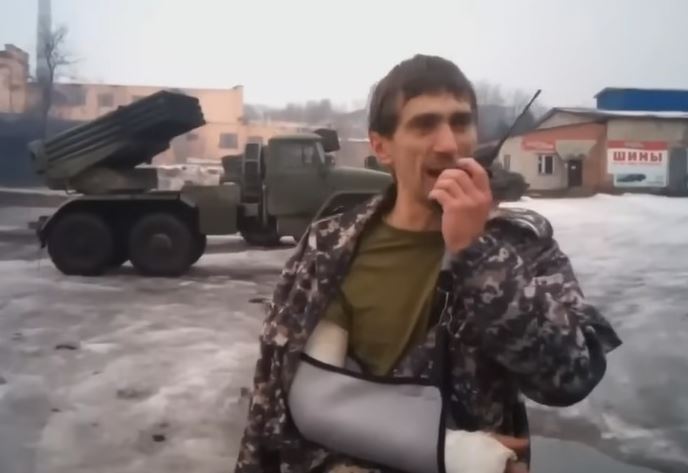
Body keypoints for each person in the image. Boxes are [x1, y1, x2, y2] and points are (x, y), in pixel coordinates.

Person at [234, 54, 622, 473]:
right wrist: (449, 452)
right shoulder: (329, 248)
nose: (448, 144)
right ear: (381, 147)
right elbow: (283, 399)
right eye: (424, 124)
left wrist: (477, 251)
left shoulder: (523, 244)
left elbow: (571, 378)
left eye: (461, 123)